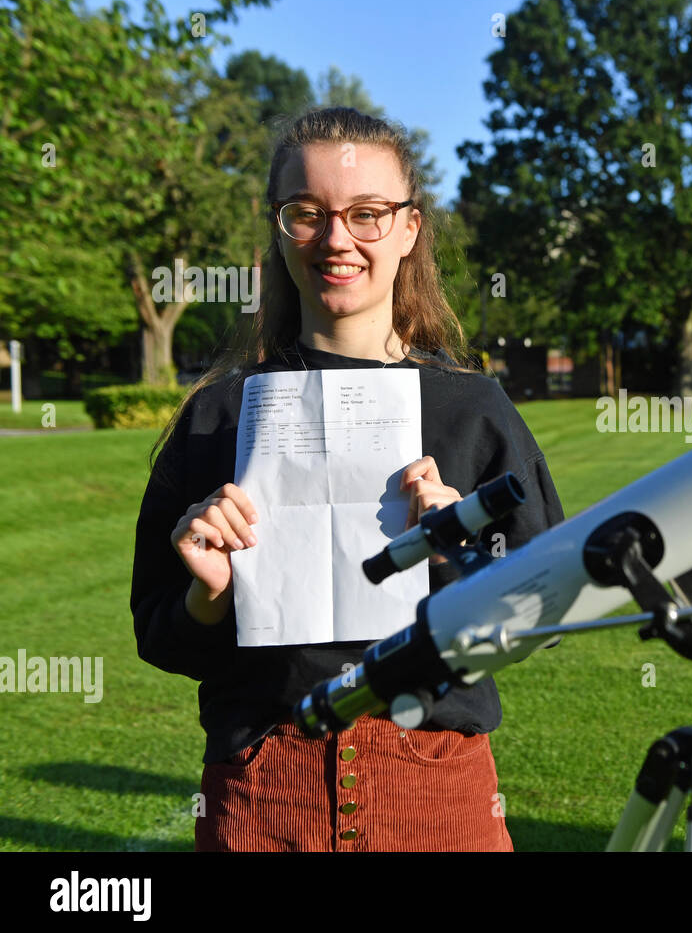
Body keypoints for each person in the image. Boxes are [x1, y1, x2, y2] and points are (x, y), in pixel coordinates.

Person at [130, 107, 565, 851]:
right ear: (279, 227)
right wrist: (211, 595)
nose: (337, 239)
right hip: (264, 788)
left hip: (435, 782)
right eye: (308, 214)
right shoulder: (218, 416)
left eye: (367, 214)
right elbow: (160, 635)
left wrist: (464, 553)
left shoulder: (474, 411)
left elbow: (546, 614)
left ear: (408, 229)